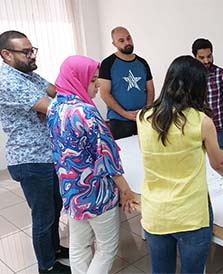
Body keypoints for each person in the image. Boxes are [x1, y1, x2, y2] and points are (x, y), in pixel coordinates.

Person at [137, 55, 223, 274]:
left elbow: (146, 152)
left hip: (156, 211)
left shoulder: (143, 117)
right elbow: (218, 162)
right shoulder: (201, 121)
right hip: (190, 214)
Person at [47, 55, 139, 274]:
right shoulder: (85, 112)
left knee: (79, 245)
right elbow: (108, 157)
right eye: (92, 80)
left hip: (71, 190)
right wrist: (125, 190)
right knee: (107, 247)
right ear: (77, 79)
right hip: (97, 193)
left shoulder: (54, 107)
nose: (97, 84)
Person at [0, 30, 70, 274]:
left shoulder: (28, 75)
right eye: (26, 51)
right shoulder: (7, 79)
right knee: (43, 216)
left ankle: (55, 249)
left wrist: (50, 107)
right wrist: (48, 108)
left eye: (33, 50)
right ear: (6, 55)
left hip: (47, 154)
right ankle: (47, 266)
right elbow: (52, 107)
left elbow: (57, 93)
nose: (31, 55)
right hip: (29, 158)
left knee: (56, 205)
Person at [99, 26, 155, 140]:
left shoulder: (142, 62)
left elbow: (150, 89)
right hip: (119, 121)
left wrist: (146, 110)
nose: (127, 42)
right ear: (114, 43)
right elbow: (104, 94)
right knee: (124, 155)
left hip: (142, 119)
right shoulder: (107, 64)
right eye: (121, 40)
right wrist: (125, 113)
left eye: (129, 38)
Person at [192, 38, 223, 150]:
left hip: (218, 128)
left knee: (222, 159)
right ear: (194, 58)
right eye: (202, 58)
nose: (206, 61)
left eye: (209, 56)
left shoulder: (222, 74)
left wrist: (217, 110)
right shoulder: (189, 77)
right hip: (195, 129)